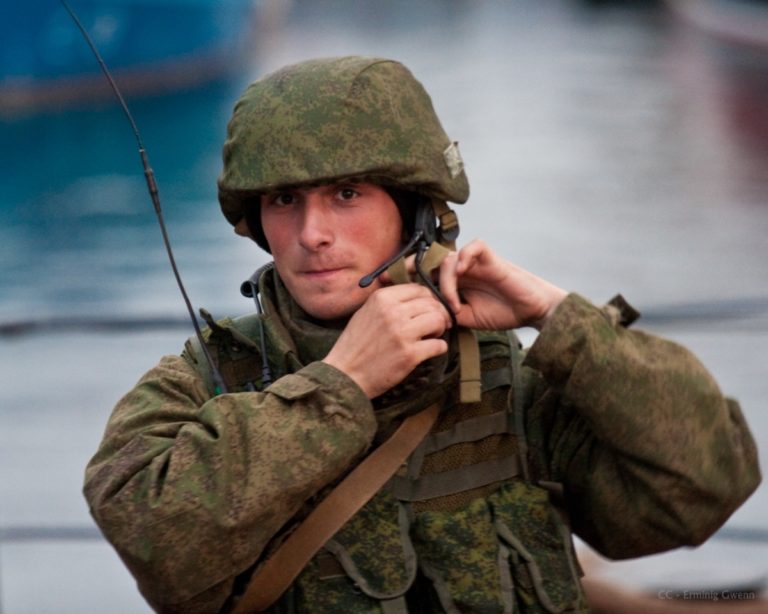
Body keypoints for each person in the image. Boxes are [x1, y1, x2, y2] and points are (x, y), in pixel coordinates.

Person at [84, 56, 761, 614]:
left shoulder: (503, 379)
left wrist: (561, 320)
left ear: (412, 212)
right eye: (284, 200)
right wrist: (339, 387)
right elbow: (156, 545)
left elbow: (704, 487)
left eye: (347, 195)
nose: (313, 234)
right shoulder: (206, 382)